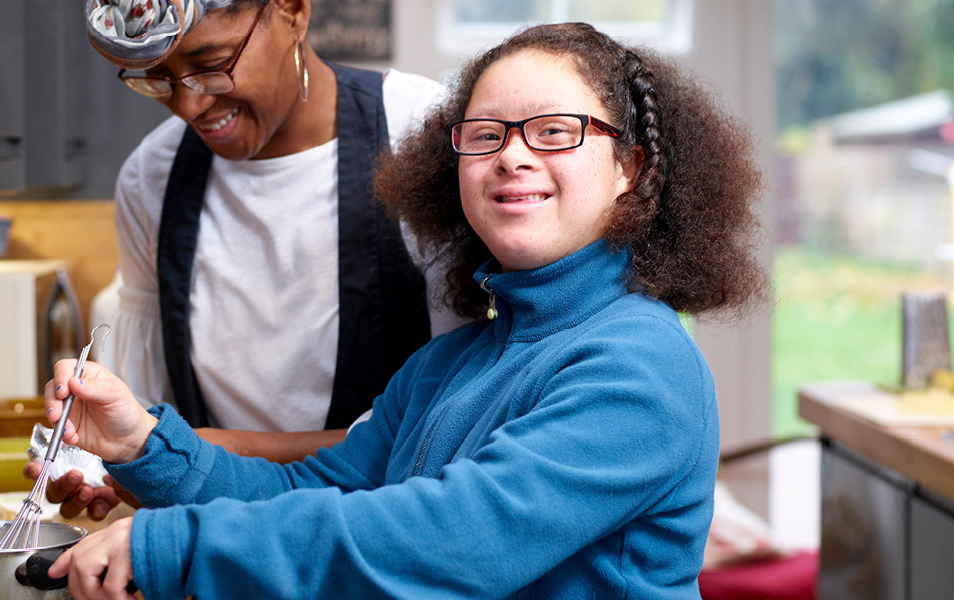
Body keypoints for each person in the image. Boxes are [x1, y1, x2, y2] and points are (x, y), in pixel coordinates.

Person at [44, 21, 765, 599]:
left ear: (629, 169)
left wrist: (179, 545)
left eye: (554, 131)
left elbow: (455, 541)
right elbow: (308, 489)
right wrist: (143, 443)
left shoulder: (641, 365)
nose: (512, 157)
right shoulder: (450, 361)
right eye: (486, 135)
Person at [31, 0, 459, 519]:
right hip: (220, 540)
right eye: (159, 79)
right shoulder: (153, 175)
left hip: (380, 534)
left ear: (294, 11)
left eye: (211, 65)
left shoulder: (424, 137)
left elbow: (449, 423)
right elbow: (146, 394)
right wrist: (116, 462)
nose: (188, 107)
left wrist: (187, 454)